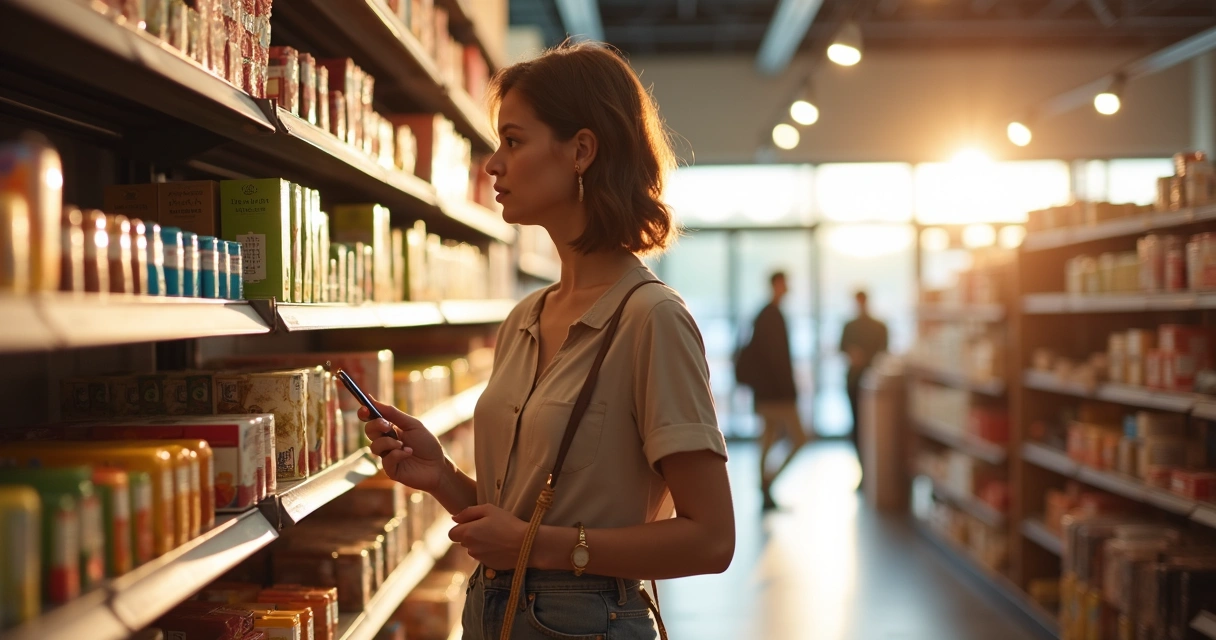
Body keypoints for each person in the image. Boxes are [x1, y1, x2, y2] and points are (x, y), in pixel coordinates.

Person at [360, 41, 735, 640]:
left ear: (581, 150)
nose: (493, 164)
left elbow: (712, 540)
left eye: (514, 140)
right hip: (493, 611)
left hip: (587, 622)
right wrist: (444, 479)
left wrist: (543, 546)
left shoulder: (650, 319)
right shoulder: (525, 318)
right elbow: (526, 518)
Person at [747, 271, 807, 511]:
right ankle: (767, 483)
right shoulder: (771, 316)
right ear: (776, 285)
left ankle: (765, 487)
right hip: (777, 394)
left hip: (766, 393)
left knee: (767, 438)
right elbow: (777, 359)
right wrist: (791, 391)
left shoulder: (765, 314)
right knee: (798, 438)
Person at [839, 289, 889, 482]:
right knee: (858, 426)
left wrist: (864, 357)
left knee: (872, 428)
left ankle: (873, 470)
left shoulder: (878, 326)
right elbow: (842, 348)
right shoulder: (851, 326)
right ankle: (864, 470)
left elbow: (884, 352)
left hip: (874, 384)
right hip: (855, 382)